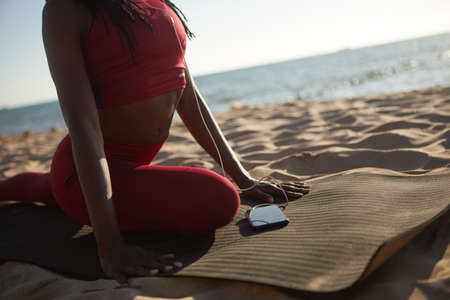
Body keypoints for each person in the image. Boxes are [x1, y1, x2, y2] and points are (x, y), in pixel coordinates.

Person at [0, 0, 310, 284]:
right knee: (219, 199)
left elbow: (189, 98)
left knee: (47, 188)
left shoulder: (156, 2)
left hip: (128, 168)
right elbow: (83, 126)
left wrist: (243, 177)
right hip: (89, 166)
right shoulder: (65, 8)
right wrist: (109, 245)